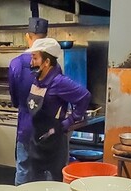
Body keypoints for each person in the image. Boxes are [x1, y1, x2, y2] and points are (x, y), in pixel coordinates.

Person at [19, 38, 91, 183]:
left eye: (35, 58)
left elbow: (85, 96)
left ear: (46, 62)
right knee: (36, 184)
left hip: (54, 144)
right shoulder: (37, 79)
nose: (31, 62)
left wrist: (71, 120)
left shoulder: (59, 82)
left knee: (54, 186)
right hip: (37, 142)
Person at [9, 17, 56, 185]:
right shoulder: (53, 65)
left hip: (26, 126)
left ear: (27, 37)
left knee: (23, 167)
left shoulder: (15, 64)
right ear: (46, 37)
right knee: (47, 169)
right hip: (47, 129)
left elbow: (15, 100)